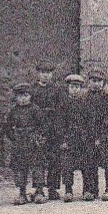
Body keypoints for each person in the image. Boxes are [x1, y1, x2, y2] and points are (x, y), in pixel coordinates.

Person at [52, 72, 96, 202]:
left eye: (77, 87)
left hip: (83, 140)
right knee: (67, 166)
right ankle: (68, 191)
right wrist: (62, 140)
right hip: (68, 139)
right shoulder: (62, 104)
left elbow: (91, 122)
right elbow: (59, 123)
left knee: (87, 165)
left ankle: (87, 190)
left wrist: (90, 138)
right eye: (72, 87)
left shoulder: (86, 104)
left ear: (81, 88)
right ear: (68, 88)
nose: (75, 89)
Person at [5, 83, 48, 204]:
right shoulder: (14, 111)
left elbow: (43, 125)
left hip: (33, 142)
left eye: (26, 95)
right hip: (19, 143)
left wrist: (38, 137)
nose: (23, 98)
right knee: (20, 168)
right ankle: (22, 193)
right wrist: (14, 137)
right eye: (20, 96)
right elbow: (8, 127)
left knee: (38, 166)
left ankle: (39, 191)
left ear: (30, 96)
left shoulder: (35, 109)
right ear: (16, 97)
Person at [29, 63, 62, 200]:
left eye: (48, 72)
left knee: (55, 159)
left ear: (52, 74)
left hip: (53, 128)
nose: (45, 75)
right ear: (38, 73)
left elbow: (61, 109)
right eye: (43, 72)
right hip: (38, 129)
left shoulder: (57, 90)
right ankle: (39, 189)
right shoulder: (32, 90)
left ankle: (53, 189)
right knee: (38, 159)